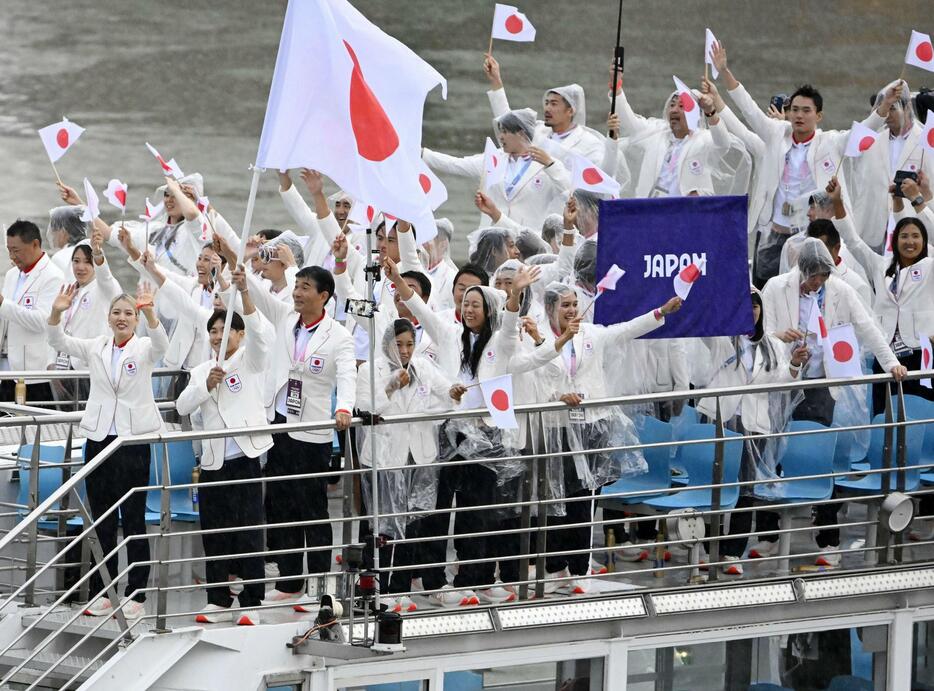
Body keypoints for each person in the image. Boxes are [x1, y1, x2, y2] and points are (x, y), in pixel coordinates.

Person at [408, 266, 575, 606]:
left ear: (487, 311)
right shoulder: (448, 334)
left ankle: (472, 579)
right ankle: (434, 582)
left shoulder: (500, 343)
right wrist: (396, 277)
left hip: (484, 436)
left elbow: (514, 326)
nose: (469, 309)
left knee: (476, 513)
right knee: (438, 512)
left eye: (476, 304)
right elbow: (418, 308)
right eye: (465, 303)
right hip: (448, 434)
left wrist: (515, 294)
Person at [762, 237, 905, 565]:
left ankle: (828, 540)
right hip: (783, 380)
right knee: (773, 457)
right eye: (814, 277)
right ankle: (769, 535)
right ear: (802, 270)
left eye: (823, 277)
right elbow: (763, 333)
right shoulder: (774, 287)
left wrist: (891, 363)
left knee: (819, 459)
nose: (818, 282)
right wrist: (782, 338)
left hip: (823, 384)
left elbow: (868, 328)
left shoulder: (841, 290)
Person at [713, 41, 899, 286]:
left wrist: (883, 107)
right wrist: (725, 72)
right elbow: (749, 110)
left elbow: (863, 134)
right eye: (795, 110)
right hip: (774, 231)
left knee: (808, 294)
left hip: (812, 236)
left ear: (818, 116)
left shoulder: (830, 142)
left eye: (806, 111)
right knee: (764, 293)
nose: (799, 115)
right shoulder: (775, 133)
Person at [538, 282, 682, 593]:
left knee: (585, 501)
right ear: (551, 308)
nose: (572, 309)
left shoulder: (591, 334)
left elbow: (625, 330)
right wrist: (557, 395)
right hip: (558, 428)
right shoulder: (540, 339)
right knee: (558, 499)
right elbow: (536, 377)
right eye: (565, 305)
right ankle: (554, 568)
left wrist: (661, 312)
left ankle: (579, 568)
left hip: (593, 425)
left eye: (574, 303)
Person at [47, 283, 167, 619]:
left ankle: (137, 594)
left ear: (136, 319)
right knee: (101, 517)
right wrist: (57, 311)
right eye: (117, 312)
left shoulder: (144, 347)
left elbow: (163, 344)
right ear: (108, 317)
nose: (122, 318)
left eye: (128, 313)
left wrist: (150, 311)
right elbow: (57, 341)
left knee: (133, 518)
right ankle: (104, 590)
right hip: (99, 438)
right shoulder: (96, 345)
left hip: (132, 442)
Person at [248, 264, 355, 608]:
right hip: (280, 422)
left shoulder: (338, 335)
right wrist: (234, 268)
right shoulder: (285, 318)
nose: (296, 292)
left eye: (305, 287)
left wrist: (345, 408)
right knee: (281, 506)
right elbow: (258, 294)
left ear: (323, 296)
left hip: (312, 432)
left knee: (313, 510)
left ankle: (321, 583)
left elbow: (347, 376)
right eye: (296, 285)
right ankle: (290, 580)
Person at [175, 268, 273, 626]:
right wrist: (206, 386)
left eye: (224, 329)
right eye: (213, 331)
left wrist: (245, 293)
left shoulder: (250, 359)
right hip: (214, 462)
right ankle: (218, 599)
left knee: (248, 531)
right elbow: (182, 406)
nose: (217, 336)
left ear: (239, 333)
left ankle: (252, 600)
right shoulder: (202, 370)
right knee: (214, 531)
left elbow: (261, 339)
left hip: (244, 458)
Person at [696, 289, 807, 575]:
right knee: (716, 488)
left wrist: (795, 364)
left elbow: (782, 380)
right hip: (722, 420)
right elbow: (703, 320)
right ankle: (711, 550)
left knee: (746, 489)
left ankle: (733, 552)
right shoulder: (722, 338)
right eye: (746, 305)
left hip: (754, 426)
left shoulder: (771, 343)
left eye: (756, 306)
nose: (752, 310)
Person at [354, 319, 454, 613]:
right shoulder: (369, 370)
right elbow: (366, 407)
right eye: (399, 344)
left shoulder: (422, 366)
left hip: (418, 455)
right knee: (383, 527)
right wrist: (392, 385)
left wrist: (455, 392)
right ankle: (378, 588)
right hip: (386, 458)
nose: (405, 350)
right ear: (387, 344)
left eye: (410, 344)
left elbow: (445, 393)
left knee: (412, 523)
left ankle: (400, 585)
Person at [827, 177, 934, 413]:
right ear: (895, 241)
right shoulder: (880, 265)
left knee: (920, 418)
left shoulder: (930, 267)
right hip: (886, 354)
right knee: (884, 416)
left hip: (920, 352)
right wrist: (838, 203)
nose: (910, 241)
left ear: (924, 241)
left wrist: (917, 201)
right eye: (904, 236)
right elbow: (853, 241)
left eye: (916, 236)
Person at [423, 109, 572, 230]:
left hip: (528, 242)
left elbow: (570, 194)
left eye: (505, 132)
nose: (500, 137)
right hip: (493, 238)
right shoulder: (493, 159)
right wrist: (423, 153)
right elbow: (455, 164)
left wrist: (551, 166)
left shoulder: (546, 164)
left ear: (521, 133)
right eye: (500, 131)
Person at [608, 72, 739, 198]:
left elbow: (723, 143)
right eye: (672, 105)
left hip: (687, 214)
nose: (674, 109)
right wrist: (617, 86)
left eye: (682, 106)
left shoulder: (703, 140)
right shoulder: (655, 132)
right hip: (649, 210)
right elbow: (629, 121)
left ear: (694, 114)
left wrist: (710, 111)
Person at [849, 79, 934, 249]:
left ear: (907, 108)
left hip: (912, 226)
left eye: (892, 109)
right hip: (874, 226)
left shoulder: (927, 141)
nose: (887, 114)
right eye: (885, 109)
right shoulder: (872, 140)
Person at [483, 55, 609, 168]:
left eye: (554, 104)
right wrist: (496, 81)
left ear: (570, 111)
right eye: (547, 103)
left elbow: (599, 179)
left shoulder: (589, 143)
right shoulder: (537, 131)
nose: (547, 108)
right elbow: (508, 123)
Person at [48, 226, 122, 406]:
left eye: (87, 262)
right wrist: (51, 364)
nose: (80, 267)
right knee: (63, 425)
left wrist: (98, 255)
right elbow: (58, 329)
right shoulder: (69, 290)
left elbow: (106, 278)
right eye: (76, 261)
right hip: (64, 369)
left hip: (91, 370)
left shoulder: (105, 288)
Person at [0, 220, 65, 405]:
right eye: (9, 250)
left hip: (37, 373)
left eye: (16, 250)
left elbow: (42, 321)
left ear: (35, 244)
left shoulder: (53, 276)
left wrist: (2, 303)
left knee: (37, 428)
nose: (12, 256)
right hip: (9, 369)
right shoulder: (13, 275)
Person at [46, 205, 89, 281]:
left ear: (63, 232)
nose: (52, 234)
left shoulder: (59, 258)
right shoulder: (92, 252)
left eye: (54, 230)